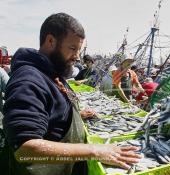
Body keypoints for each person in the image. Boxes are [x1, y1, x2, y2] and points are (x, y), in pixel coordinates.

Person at [2, 13, 140, 175]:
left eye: (79, 50)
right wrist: (95, 151)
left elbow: (49, 109)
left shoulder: (51, 72)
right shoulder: (28, 80)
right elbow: (25, 149)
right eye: (72, 48)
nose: (77, 56)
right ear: (51, 41)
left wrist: (74, 114)